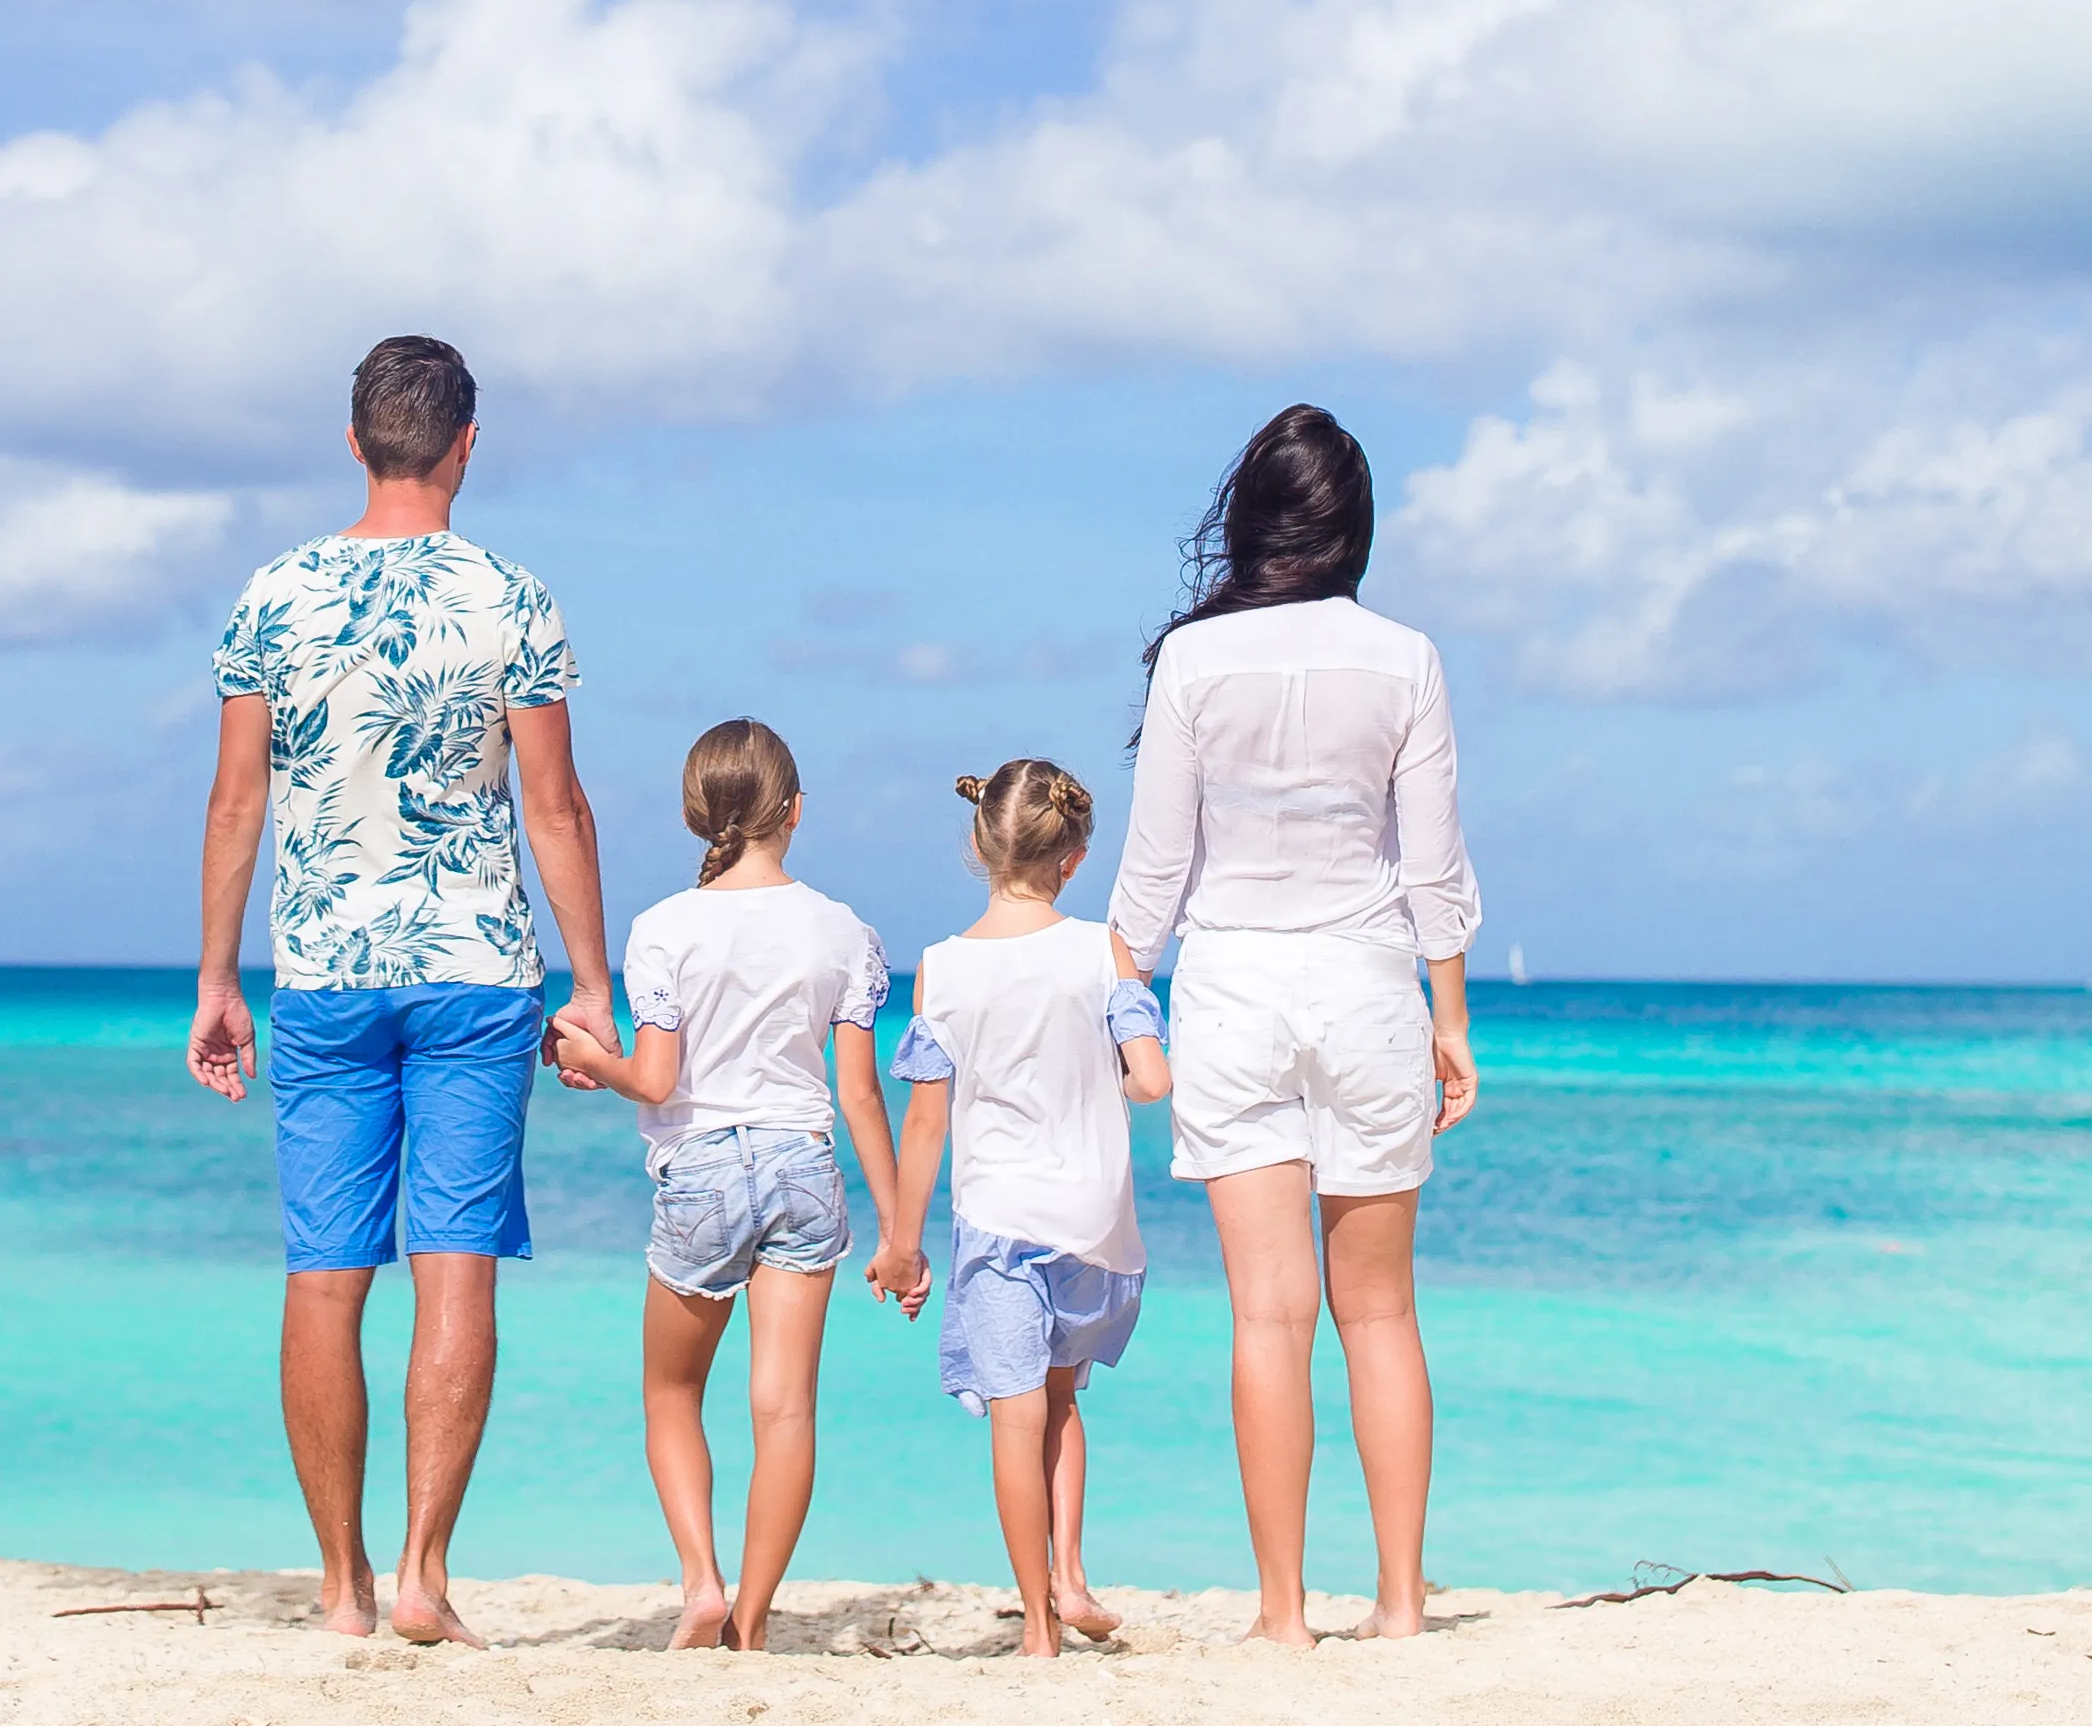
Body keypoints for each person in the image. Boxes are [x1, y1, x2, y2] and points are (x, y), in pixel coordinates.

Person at [188, 336, 611, 1647]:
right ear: (465, 444)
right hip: (475, 968)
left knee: (325, 1273)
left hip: (323, 971)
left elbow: (236, 801)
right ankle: (425, 1572)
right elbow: (552, 805)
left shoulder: (273, 594)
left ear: (355, 439)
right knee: (454, 1269)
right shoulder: (513, 598)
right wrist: (594, 981)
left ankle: (342, 1587)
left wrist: (216, 976)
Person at [1105, 402, 1481, 1646]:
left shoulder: (1194, 662)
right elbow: (1432, 866)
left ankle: (1281, 1613)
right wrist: (1451, 1017)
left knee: (1270, 1315)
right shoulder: (1406, 657)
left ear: (1252, 520)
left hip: (1233, 992)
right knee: (1380, 1311)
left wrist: (1121, 1003)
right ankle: (1402, 1603)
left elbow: (1154, 872)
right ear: (1353, 525)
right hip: (1368, 984)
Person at [546, 718, 901, 1650]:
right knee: (784, 1408)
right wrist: (899, 1229)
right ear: (795, 810)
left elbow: (657, 1079)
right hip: (803, 1164)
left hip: (702, 1171)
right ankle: (751, 1618)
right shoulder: (845, 930)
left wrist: (591, 1057)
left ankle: (701, 1580)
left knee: (672, 1392)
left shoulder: (664, 928)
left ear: (692, 813)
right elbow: (859, 1094)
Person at [866, 757, 1170, 1660]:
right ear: (1073, 859)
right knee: (1062, 1396)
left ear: (979, 842)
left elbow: (927, 1124)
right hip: (1093, 1217)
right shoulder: (1102, 948)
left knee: (1015, 1411)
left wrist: (901, 1245)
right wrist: (1114, 1073)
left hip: (999, 1215)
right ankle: (1072, 1574)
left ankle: (1039, 1623)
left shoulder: (944, 968)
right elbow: (1152, 1079)